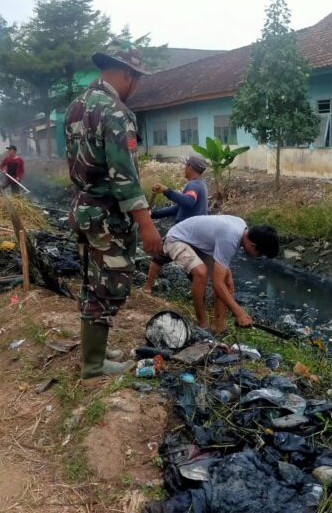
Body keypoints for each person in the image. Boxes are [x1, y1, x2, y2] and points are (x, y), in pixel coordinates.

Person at [64, 39, 162, 379]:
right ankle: (93, 364)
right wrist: (147, 226)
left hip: (83, 210)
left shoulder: (76, 106)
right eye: (136, 77)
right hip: (107, 216)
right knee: (109, 285)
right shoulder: (116, 112)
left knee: (92, 281)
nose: (136, 85)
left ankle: (97, 350)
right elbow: (125, 178)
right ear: (125, 73)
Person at [163, 215, 279, 332]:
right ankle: (202, 324)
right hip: (176, 239)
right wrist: (239, 313)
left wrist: (227, 277)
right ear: (253, 246)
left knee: (226, 280)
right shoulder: (231, 237)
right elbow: (217, 284)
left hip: (197, 245)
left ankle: (219, 326)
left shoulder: (241, 228)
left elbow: (221, 278)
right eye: (259, 254)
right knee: (200, 272)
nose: (256, 257)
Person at [143, 153, 209, 293]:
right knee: (163, 259)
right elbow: (178, 208)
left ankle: (148, 288)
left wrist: (167, 191)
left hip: (185, 235)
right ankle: (200, 295)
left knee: (158, 258)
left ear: (190, 167)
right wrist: (153, 214)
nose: (183, 168)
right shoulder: (200, 184)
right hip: (194, 233)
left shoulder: (193, 185)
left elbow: (188, 201)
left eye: (185, 166)